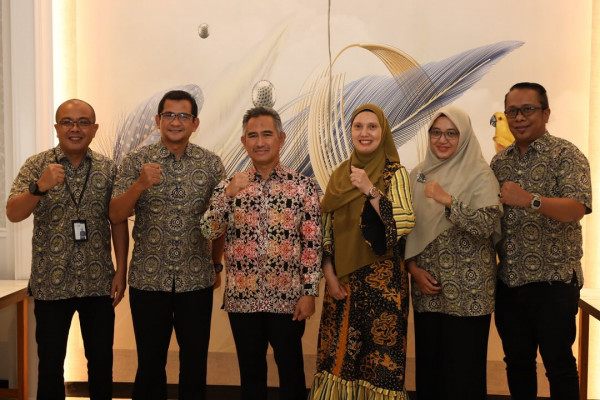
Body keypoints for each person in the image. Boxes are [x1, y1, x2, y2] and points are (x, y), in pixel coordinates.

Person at [6, 99, 129, 400]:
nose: (75, 128)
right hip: (51, 282)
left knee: (101, 362)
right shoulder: (37, 165)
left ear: (94, 128)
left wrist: (121, 271)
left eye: (83, 122)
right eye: (67, 122)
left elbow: (117, 220)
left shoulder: (108, 169)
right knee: (50, 365)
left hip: (98, 282)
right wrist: (39, 187)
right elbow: (13, 213)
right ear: (57, 127)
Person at [109, 90, 225, 400]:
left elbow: (221, 220)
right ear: (158, 120)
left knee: (194, 364)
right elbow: (115, 214)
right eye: (169, 115)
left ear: (195, 123)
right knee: (150, 364)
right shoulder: (136, 161)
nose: (176, 122)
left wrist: (216, 264)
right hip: (149, 280)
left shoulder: (211, 164)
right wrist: (140, 184)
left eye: (183, 116)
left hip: (196, 279)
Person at [200, 106, 322, 400]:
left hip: (288, 298)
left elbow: (312, 243)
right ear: (244, 142)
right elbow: (208, 231)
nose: (260, 142)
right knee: (251, 375)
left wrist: (309, 292)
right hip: (243, 299)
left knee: (291, 373)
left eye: (267, 134)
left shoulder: (302, 186)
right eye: (252, 136)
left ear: (281, 138)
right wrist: (228, 196)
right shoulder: (228, 186)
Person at [491, 82, 592, 400]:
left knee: (559, 367)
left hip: (554, 283)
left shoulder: (566, 154)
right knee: (517, 365)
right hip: (509, 283)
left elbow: (576, 208)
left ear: (546, 113)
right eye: (512, 111)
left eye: (527, 109)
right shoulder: (499, 163)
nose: (519, 118)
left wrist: (529, 200)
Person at [309, 104, 415, 399]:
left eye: (372, 126)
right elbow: (325, 231)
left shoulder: (395, 173)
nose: (364, 133)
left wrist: (370, 189)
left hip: (384, 288)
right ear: (351, 132)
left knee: (380, 365)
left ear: (383, 132)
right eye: (358, 126)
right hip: (341, 285)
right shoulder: (339, 175)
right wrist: (329, 277)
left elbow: (404, 222)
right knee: (338, 360)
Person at [404, 105, 502, 400]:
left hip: (469, 294)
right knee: (430, 371)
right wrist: (412, 268)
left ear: (465, 137)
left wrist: (448, 200)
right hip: (428, 289)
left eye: (451, 133)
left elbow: (486, 225)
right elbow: (406, 229)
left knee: (463, 374)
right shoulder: (417, 175)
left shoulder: (481, 175)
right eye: (436, 133)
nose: (442, 140)